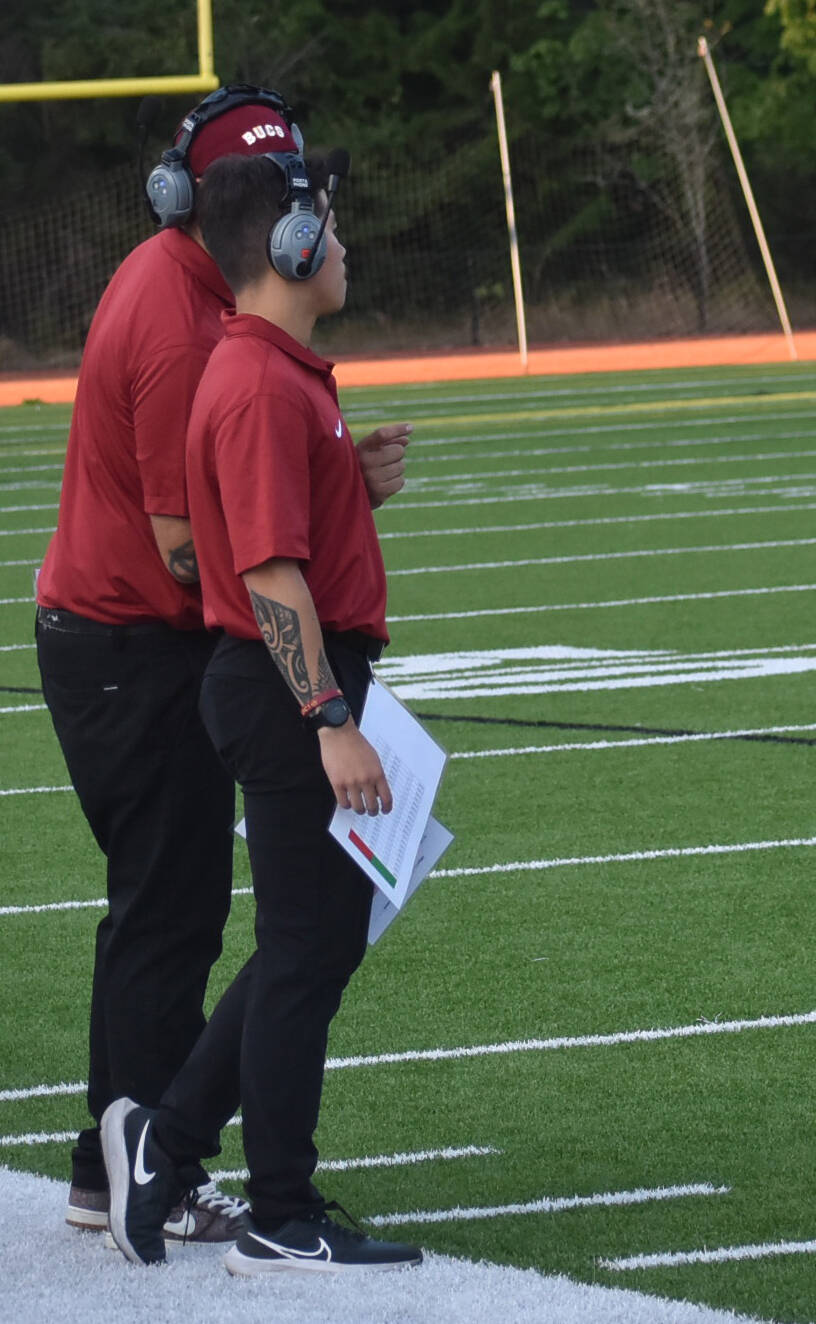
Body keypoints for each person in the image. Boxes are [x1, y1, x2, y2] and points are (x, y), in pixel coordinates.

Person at [35, 82, 410, 1243]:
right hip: (139, 641)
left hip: (208, 651)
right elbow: (214, 552)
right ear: (285, 237)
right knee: (186, 911)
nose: (332, 236)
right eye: (319, 216)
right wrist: (318, 703)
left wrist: (330, 494)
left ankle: (149, 1145)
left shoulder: (252, 344)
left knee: (292, 921)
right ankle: (158, 1153)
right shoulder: (195, 336)